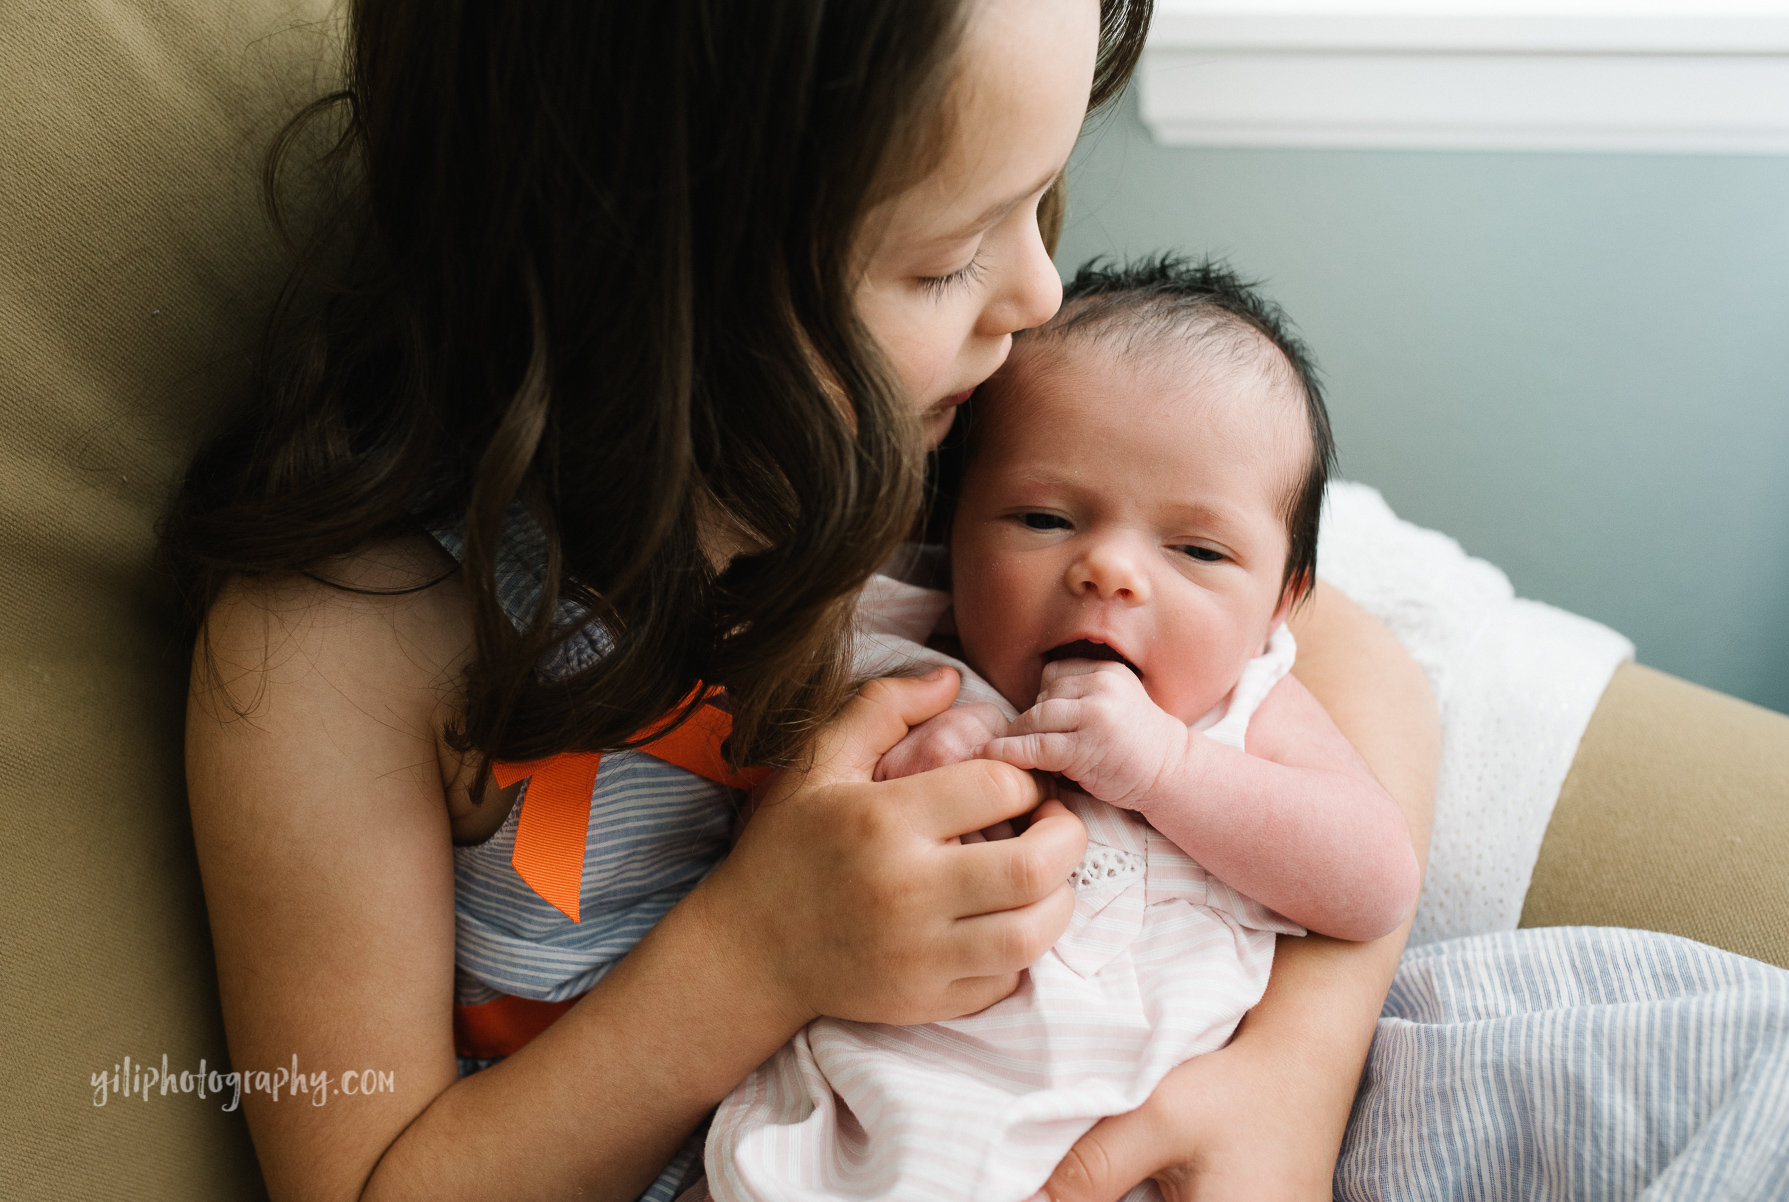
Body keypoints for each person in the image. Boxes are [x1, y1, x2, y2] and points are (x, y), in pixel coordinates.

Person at [167, 2, 1440, 1200]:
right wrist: (760, 957)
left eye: (1040, 203)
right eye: (950, 256)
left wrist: (1294, 1072)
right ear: (655, 277)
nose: (1042, 296)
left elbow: (1353, 666)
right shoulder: (346, 643)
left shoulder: (941, 451)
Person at [706, 258, 1421, 1201]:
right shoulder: (906, 667)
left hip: (1137, 1161)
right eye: (1044, 518)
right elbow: (779, 861)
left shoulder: (1248, 707)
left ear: (1282, 603)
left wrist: (1167, 767)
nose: (1111, 569)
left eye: (1198, 550)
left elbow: (1374, 881)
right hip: (856, 1155)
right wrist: (907, 781)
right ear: (947, 535)